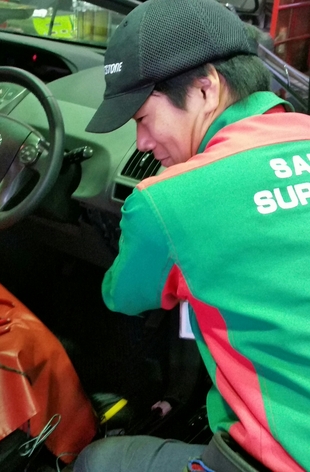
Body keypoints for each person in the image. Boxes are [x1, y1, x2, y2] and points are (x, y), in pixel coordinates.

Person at [74, 0, 310, 470]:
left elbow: (123, 297)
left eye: (142, 118)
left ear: (206, 87)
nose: (142, 143)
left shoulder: (167, 199)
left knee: (97, 461)